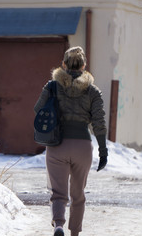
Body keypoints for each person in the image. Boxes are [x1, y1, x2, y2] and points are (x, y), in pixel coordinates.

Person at [34, 46, 108, 236]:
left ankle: (58, 225)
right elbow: (99, 123)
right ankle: (74, 232)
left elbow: (38, 109)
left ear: (64, 64)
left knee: (58, 192)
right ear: (84, 65)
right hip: (82, 147)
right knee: (78, 194)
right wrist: (103, 151)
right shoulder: (93, 91)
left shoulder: (52, 86)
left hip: (57, 145)